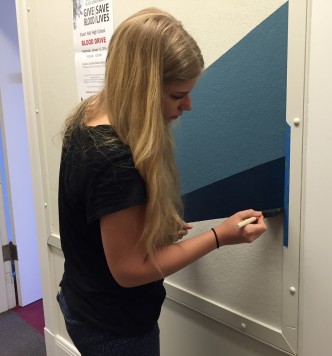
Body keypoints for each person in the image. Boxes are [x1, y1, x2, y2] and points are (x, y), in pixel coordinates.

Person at [56, 7, 266, 356]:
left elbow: (98, 217)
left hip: (81, 302)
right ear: (144, 88)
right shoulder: (114, 160)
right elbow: (128, 271)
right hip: (113, 330)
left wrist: (145, 224)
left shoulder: (89, 115)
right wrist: (219, 236)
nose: (188, 106)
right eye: (176, 95)